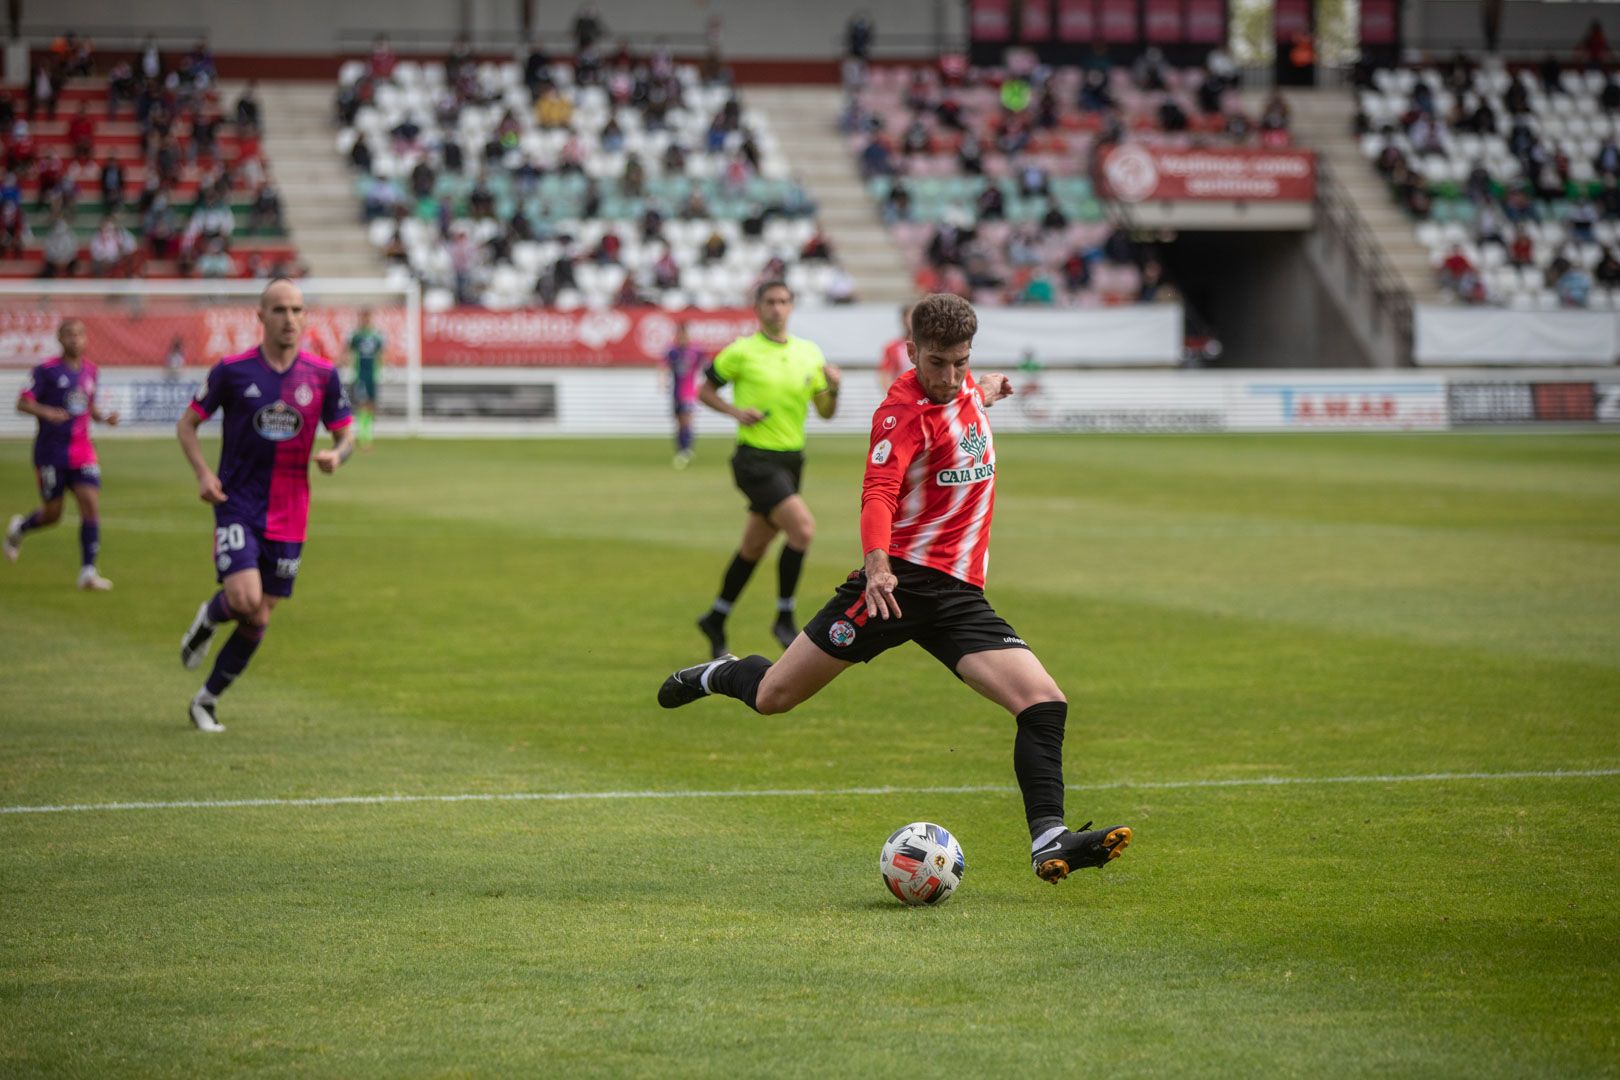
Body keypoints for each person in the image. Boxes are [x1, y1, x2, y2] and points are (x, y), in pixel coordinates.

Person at [658, 293, 1131, 885]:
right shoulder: (899, 413)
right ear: (912, 353)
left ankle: (1048, 838)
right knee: (774, 696)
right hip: (894, 586)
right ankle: (717, 672)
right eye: (936, 363)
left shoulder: (963, 391)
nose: (949, 376)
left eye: (960, 361)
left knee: (1043, 704)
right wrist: (876, 565)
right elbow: (879, 492)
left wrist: (985, 387)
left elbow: (965, 399)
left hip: (957, 597)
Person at [174, 279, 355, 733]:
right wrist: (202, 474)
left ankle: (206, 700)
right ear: (261, 317)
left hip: (291, 512)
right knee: (244, 597)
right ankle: (209, 617)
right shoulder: (232, 371)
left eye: (296, 310)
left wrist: (338, 454)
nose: (289, 319)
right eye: (279, 310)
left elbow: (347, 432)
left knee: (259, 615)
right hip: (237, 502)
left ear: (305, 316)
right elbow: (188, 425)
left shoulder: (322, 374)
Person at [693, 281, 842, 658]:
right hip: (754, 458)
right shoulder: (741, 352)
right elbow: (704, 390)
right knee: (803, 529)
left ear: (792, 307)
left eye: (784, 301)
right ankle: (784, 615)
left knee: (754, 545)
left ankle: (716, 616)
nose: (777, 308)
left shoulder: (809, 353)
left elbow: (825, 413)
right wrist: (734, 412)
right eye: (770, 302)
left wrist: (835, 389)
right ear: (757, 308)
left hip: (792, 460)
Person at [4, 320, 119, 588]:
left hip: (82, 451)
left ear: (86, 338)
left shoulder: (91, 371)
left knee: (90, 503)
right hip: (51, 453)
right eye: (69, 335)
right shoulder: (46, 371)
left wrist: (104, 417)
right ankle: (19, 529)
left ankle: (88, 572)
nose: (75, 340)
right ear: (60, 338)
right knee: (52, 514)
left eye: (80, 334)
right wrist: (47, 412)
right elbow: (22, 402)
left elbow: (88, 406)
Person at [665, 322, 704, 468]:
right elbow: (664, 365)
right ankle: (682, 449)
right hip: (676, 391)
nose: (681, 337)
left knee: (686, 420)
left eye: (683, 334)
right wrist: (662, 379)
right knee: (679, 422)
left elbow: (704, 364)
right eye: (678, 334)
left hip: (689, 392)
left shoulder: (696, 350)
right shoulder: (672, 351)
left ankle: (685, 450)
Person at [347, 307, 385, 449]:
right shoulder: (356, 336)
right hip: (360, 374)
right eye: (363, 317)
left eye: (367, 317)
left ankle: (367, 434)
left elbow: (381, 354)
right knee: (362, 404)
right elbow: (349, 353)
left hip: (372, 375)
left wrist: (382, 370)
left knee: (371, 405)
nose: (365, 319)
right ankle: (363, 436)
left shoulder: (376, 336)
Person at [878, 302, 911, 387]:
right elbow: (885, 374)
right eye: (910, 317)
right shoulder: (893, 347)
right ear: (904, 320)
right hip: (903, 392)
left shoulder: (930, 346)